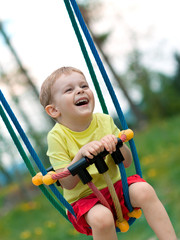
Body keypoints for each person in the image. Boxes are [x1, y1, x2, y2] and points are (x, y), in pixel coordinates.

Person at [39, 66, 177, 240]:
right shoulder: (57, 137)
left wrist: (116, 145)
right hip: (85, 200)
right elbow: (67, 183)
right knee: (102, 218)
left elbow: (126, 162)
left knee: (144, 190)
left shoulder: (104, 120)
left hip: (116, 187)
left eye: (84, 86)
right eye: (69, 89)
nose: (80, 91)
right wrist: (80, 155)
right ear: (54, 110)